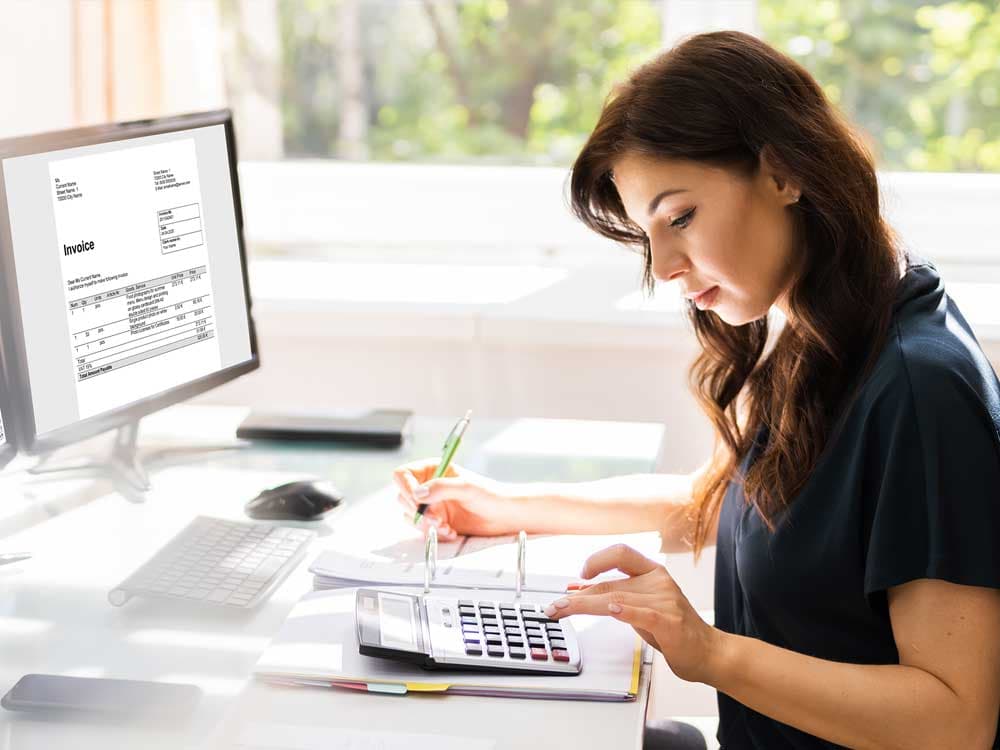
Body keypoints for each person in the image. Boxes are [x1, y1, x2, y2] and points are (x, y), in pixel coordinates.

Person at [393, 30, 1000, 750]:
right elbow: (736, 504)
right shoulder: (827, 320)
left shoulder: (919, 391)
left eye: (680, 218)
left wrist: (708, 651)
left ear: (783, 172)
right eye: (648, 236)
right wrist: (506, 507)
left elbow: (956, 721)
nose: (668, 268)